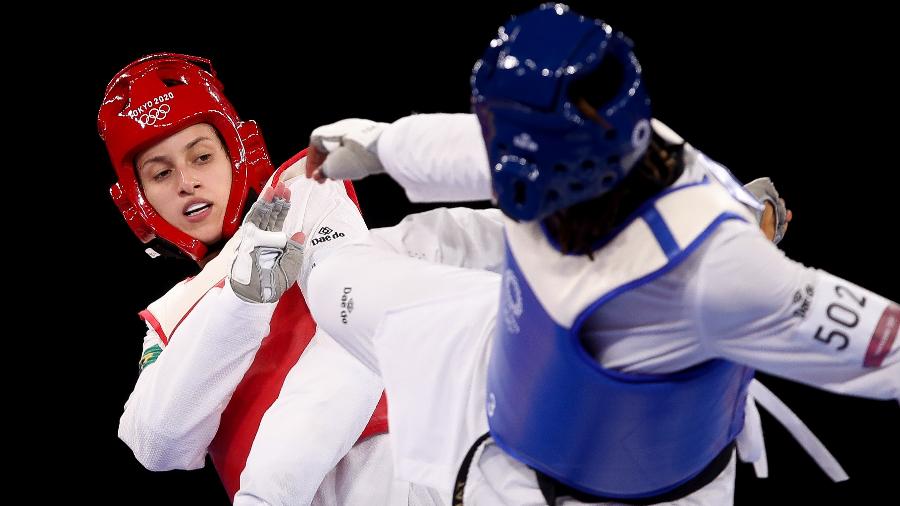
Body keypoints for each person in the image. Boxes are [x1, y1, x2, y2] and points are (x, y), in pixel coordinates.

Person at [300, 4, 899, 504]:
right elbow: (469, 143)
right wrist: (376, 145)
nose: (508, 170)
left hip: (623, 486)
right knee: (328, 274)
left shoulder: (716, 269)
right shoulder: (552, 146)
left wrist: (749, 253)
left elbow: (887, 349)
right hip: (494, 360)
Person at [97, 53, 409, 505]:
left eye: (201, 156)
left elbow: (355, 335)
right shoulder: (164, 320)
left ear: (238, 152)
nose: (186, 181)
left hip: (399, 474)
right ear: (138, 201)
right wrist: (241, 303)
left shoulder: (299, 193)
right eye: (161, 173)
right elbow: (157, 445)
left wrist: (268, 493)